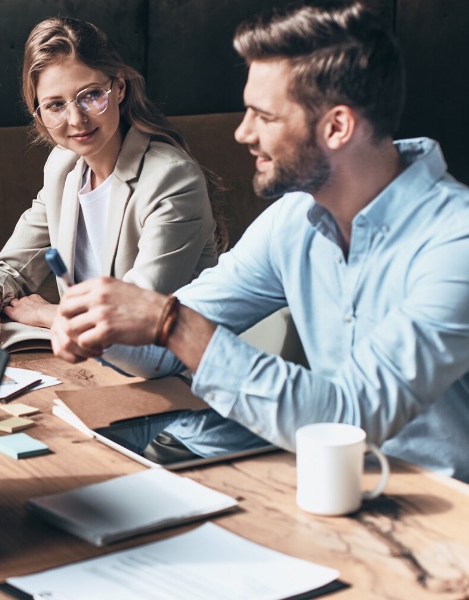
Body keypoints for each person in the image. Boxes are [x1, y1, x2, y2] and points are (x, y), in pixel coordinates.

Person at [50, 2, 469, 482]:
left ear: (337, 126)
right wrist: (102, 321)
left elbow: (351, 417)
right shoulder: (292, 220)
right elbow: (161, 349)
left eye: (262, 116)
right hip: (331, 487)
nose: (242, 132)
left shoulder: (456, 242)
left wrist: (169, 323)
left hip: (447, 520)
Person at [0, 17, 219, 341]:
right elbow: (11, 268)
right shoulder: (62, 168)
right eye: (55, 105)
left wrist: (48, 314)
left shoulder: (172, 178)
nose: (77, 119)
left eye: (91, 95)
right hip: (88, 362)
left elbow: (136, 315)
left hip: (166, 375)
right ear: (38, 113)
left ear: (119, 87)